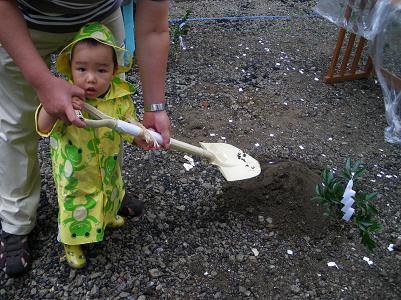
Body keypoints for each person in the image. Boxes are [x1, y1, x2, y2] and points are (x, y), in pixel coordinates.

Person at [0, 0, 170, 277]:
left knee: (110, 104)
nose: (91, 79)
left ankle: (106, 196)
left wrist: (154, 109)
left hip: (100, 22)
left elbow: (153, 27)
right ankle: (17, 221)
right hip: (22, 20)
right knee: (16, 126)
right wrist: (44, 84)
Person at [37, 21, 156, 269]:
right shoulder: (64, 99)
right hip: (76, 175)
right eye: (82, 69)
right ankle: (71, 241)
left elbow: (127, 125)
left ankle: (107, 217)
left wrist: (140, 136)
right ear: (70, 68)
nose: (90, 79)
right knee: (76, 204)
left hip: (107, 165)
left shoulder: (118, 97)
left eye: (101, 70)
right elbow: (42, 125)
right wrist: (51, 109)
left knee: (110, 191)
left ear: (114, 70)